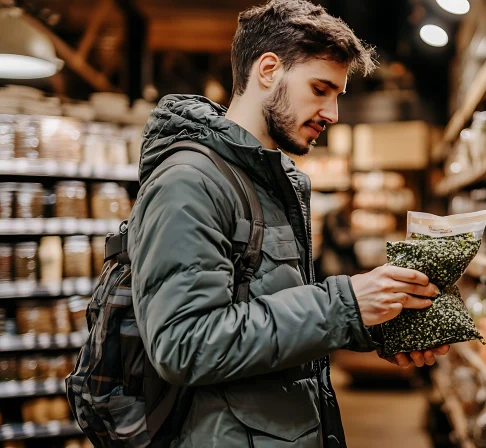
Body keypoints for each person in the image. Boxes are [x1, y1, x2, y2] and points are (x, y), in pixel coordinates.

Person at [127, 0, 450, 446]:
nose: (333, 114)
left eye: (337, 95)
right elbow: (185, 344)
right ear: (267, 70)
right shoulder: (188, 182)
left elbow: (268, 311)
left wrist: (373, 325)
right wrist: (345, 306)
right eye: (320, 89)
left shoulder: (275, 183)